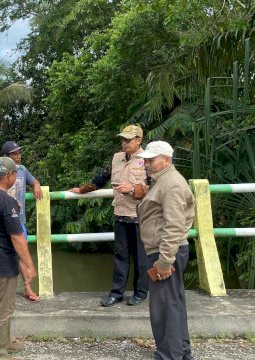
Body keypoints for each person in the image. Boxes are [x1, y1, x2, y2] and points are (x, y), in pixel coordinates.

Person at [69, 125, 149, 307]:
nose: (124, 142)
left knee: (141, 259)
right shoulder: (117, 158)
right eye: (122, 139)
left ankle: (140, 293)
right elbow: (101, 178)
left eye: (128, 139)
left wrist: (134, 189)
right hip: (120, 215)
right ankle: (116, 293)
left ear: (138, 140)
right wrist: (82, 190)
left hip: (141, 217)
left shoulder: (148, 159)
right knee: (120, 257)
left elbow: (156, 188)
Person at [137, 141, 195, 360]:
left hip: (166, 251)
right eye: (146, 160)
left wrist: (164, 261)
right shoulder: (164, 181)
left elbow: (174, 225)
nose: (147, 164)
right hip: (167, 250)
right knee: (173, 304)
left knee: (164, 308)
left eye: (152, 160)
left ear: (166, 160)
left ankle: (169, 355)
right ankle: (181, 352)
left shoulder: (171, 184)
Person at [0, 157, 37, 359]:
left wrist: (12, 209)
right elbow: (17, 238)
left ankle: (6, 343)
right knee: (3, 309)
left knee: (4, 305)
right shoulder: (6, 201)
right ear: (10, 176)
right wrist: (29, 265)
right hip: (2, 263)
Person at [0, 141, 43, 302]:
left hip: (18, 221)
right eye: (15, 154)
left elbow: (34, 181)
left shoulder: (23, 170)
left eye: (19, 153)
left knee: (22, 254)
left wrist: (36, 185)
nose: (19, 156)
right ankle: (1, 291)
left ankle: (27, 288)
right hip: (1, 223)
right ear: (6, 157)